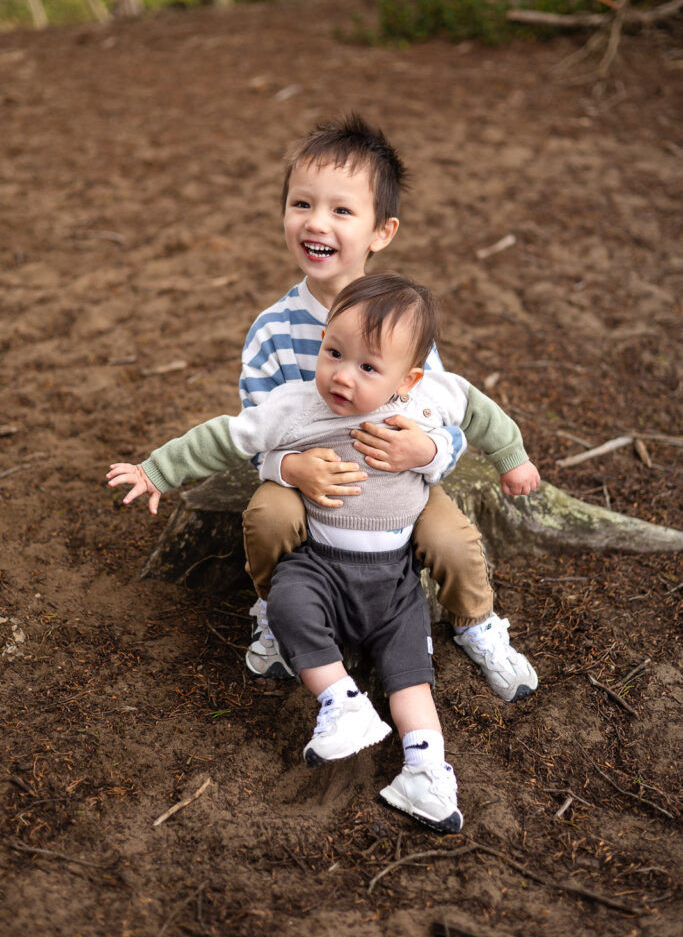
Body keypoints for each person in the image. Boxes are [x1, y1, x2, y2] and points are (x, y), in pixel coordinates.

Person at [107, 274, 540, 832]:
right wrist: (157, 471)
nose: (341, 375)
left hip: (396, 578)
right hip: (323, 565)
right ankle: (343, 703)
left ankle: (427, 772)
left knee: (410, 677)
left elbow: (482, 413)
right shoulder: (296, 404)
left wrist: (514, 458)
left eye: (367, 367)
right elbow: (224, 436)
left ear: (407, 378)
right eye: (333, 352)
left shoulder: (429, 398)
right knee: (290, 604)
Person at [239, 113, 539, 702]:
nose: (316, 222)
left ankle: (476, 624)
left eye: (342, 210)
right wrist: (287, 469)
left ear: (382, 231)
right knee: (269, 518)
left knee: (452, 540)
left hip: (396, 475)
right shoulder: (272, 331)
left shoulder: (402, 322)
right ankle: (278, 614)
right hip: (310, 481)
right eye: (301, 203)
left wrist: (425, 450)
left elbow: (447, 413)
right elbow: (255, 432)